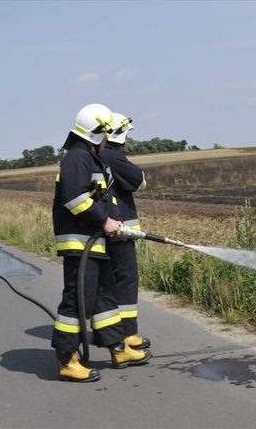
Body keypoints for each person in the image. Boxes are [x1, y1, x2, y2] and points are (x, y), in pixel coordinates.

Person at [51, 103, 151, 382]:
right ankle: (66, 359)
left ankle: (117, 348)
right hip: (80, 243)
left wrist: (113, 224)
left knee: (105, 296)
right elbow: (74, 199)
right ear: (96, 133)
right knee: (78, 301)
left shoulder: (90, 158)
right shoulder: (77, 159)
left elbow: (102, 198)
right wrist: (104, 221)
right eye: (106, 134)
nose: (109, 139)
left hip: (95, 243)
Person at [99, 113, 151, 351]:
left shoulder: (95, 155)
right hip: (120, 233)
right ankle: (128, 334)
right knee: (125, 281)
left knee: (107, 283)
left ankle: (110, 334)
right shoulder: (113, 156)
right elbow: (139, 181)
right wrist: (124, 159)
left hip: (104, 229)